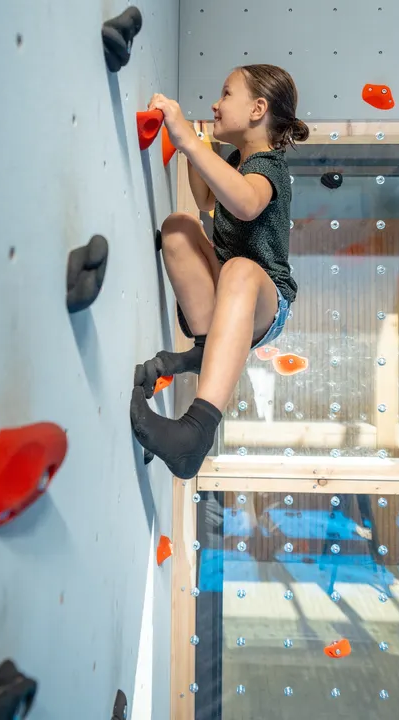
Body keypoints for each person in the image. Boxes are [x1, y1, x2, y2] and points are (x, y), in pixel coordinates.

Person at [130, 64, 309, 479]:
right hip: (228, 284)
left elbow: (245, 204)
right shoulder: (235, 159)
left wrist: (190, 144)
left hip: (266, 301)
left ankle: (196, 431)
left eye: (227, 94)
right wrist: (200, 148)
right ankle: (208, 345)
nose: (216, 102)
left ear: (257, 108)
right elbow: (207, 199)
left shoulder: (269, 167)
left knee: (242, 270)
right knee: (179, 228)